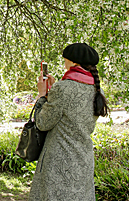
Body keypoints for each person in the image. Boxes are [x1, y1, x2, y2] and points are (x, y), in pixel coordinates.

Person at [29, 43, 109, 201]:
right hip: (83, 160)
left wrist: (42, 95)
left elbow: (43, 123)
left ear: (73, 63)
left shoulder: (62, 88)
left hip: (59, 162)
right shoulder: (97, 89)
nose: (64, 63)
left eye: (65, 60)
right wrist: (53, 91)